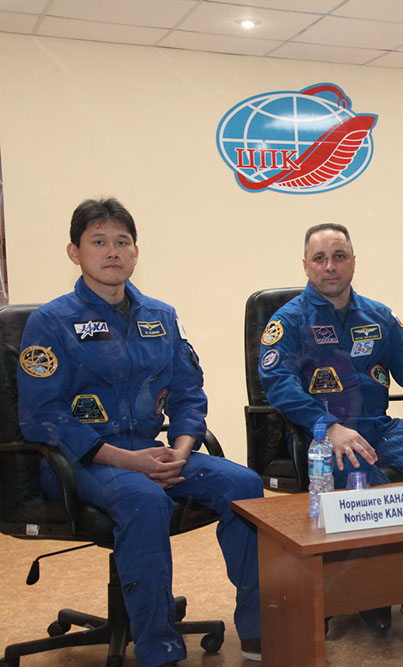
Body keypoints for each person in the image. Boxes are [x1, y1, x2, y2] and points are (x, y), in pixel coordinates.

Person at [18, 198, 263, 666]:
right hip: (78, 461)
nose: (112, 251)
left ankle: (256, 628)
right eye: (98, 241)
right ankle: (158, 647)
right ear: (74, 252)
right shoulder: (50, 322)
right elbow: (43, 416)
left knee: (244, 484)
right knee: (144, 498)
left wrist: (182, 450)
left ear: (135, 252)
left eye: (122, 242)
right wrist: (128, 461)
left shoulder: (161, 316)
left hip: (154, 453)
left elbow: (189, 394)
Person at [258, 223, 403, 637]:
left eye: (339, 256)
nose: (330, 266)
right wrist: (329, 426)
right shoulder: (289, 321)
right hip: (322, 436)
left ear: (353, 262)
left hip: (379, 427)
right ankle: (370, 593)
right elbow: (279, 386)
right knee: (368, 487)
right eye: (320, 258)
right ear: (305, 266)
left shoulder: (379, 317)